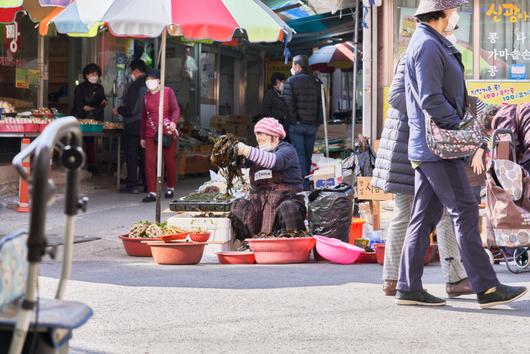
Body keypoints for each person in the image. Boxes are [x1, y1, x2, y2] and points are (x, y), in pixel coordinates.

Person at [396, 0, 527, 308]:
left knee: (424, 216)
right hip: (438, 148)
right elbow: (431, 98)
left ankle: (407, 286)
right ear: (440, 14)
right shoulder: (428, 45)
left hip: (428, 148)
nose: (457, 16)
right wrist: (462, 129)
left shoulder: (429, 42)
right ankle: (487, 286)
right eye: (454, 11)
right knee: (466, 210)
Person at [372, 53, 472, 298]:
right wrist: (430, 116)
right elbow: (396, 96)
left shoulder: (429, 52)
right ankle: (454, 277)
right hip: (414, 144)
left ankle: (394, 278)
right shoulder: (419, 54)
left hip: (414, 143)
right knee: (439, 211)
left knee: (415, 213)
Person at [231, 118, 306, 240]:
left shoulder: (287, 150)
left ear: (276, 137)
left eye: (263, 138)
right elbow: (240, 163)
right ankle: (248, 243)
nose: (259, 141)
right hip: (259, 208)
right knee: (238, 205)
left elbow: (274, 161)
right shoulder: (257, 153)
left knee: (288, 207)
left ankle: (293, 246)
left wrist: (245, 150)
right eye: (258, 137)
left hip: (283, 205)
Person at [283, 55, 323, 190]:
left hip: (297, 126)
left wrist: (295, 121)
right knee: (307, 155)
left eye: (294, 65)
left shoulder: (291, 81)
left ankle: (304, 186)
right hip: (312, 125)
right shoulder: (316, 81)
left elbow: (288, 103)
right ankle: (306, 184)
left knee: (300, 156)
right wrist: (317, 122)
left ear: (298, 66)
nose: (292, 68)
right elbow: (321, 104)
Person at [140, 69, 180, 203]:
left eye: (152, 79)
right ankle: (152, 191)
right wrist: (142, 137)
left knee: (169, 162)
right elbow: (143, 118)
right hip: (151, 133)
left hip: (167, 132)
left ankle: (170, 187)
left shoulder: (168, 92)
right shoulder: (145, 98)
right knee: (150, 162)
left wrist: (174, 122)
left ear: (159, 80)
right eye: (147, 79)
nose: (149, 82)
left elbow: (175, 110)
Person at [113, 60, 148, 194]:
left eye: (131, 71)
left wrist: (119, 110)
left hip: (134, 125)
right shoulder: (150, 84)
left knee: (131, 155)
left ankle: (132, 185)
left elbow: (131, 109)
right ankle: (147, 185)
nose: (131, 74)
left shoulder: (136, 86)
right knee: (144, 156)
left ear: (136, 71)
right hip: (147, 126)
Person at [72, 63, 106, 174]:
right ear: (86, 75)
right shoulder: (80, 88)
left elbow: (102, 101)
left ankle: (91, 164)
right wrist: (85, 108)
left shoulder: (100, 88)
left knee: (90, 141)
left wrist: (103, 103)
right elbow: (79, 104)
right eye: (92, 74)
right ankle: (77, 163)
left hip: (94, 118)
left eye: (96, 74)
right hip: (80, 117)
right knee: (78, 140)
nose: (94, 76)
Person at [262, 72, 288, 137]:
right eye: (283, 82)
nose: (284, 84)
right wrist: (274, 122)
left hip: (282, 126)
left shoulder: (282, 94)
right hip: (274, 128)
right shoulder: (270, 94)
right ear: (277, 81)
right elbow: (266, 110)